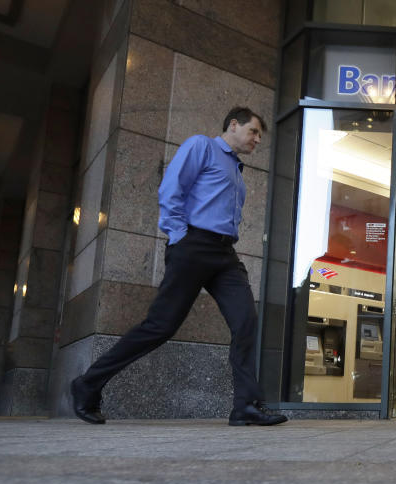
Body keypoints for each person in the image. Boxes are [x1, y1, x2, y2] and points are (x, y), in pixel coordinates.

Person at [70, 107, 288, 426]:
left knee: (246, 321)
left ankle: (245, 405)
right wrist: (179, 236)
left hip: (225, 254)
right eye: (254, 131)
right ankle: (86, 384)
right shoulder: (202, 146)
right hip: (194, 245)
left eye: (259, 135)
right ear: (233, 125)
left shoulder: (235, 168)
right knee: (160, 327)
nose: (257, 139)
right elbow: (172, 188)